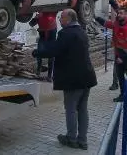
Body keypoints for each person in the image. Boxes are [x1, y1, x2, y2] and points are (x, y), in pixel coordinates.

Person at [32, 9, 97, 150]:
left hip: (73, 79)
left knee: (71, 109)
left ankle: (71, 138)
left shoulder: (65, 33)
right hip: (87, 76)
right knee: (83, 109)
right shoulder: (82, 31)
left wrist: (37, 52)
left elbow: (55, 50)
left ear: (68, 19)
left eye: (61, 18)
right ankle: (83, 141)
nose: (59, 20)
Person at [95, 7, 127, 102]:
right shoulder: (118, 23)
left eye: (121, 13)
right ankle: (123, 95)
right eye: (118, 13)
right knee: (120, 76)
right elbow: (107, 24)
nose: (119, 15)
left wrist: (122, 58)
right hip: (119, 53)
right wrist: (95, 17)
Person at [29, 11, 58, 81]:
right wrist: (36, 18)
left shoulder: (52, 12)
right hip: (42, 36)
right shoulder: (39, 15)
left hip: (51, 37)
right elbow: (31, 24)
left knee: (51, 56)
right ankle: (38, 71)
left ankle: (49, 76)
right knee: (39, 53)